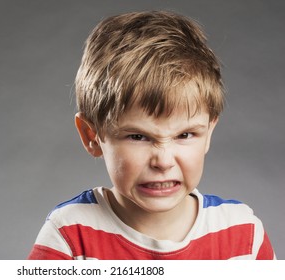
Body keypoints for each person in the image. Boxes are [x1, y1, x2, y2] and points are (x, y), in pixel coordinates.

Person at [28, 11, 275, 260]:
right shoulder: (69, 237)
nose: (163, 162)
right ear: (91, 135)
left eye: (185, 134)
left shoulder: (244, 234)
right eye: (138, 137)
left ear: (209, 132)